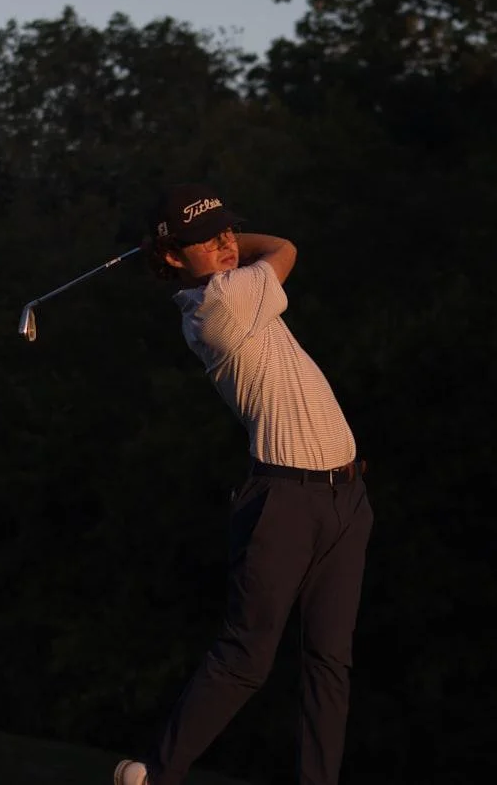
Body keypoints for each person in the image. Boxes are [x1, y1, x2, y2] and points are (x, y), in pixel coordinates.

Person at [114, 183, 374, 785]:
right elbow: (282, 247)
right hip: (283, 501)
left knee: (330, 661)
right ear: (176, 258)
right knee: (246, 656)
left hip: (344, 497)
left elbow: (258, 250)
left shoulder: (236, 283)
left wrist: (195, 239)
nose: (227, 243)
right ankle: (156, 772)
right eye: (207, 240)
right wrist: (192, 250)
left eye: (229, 230)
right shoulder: (221, 306)